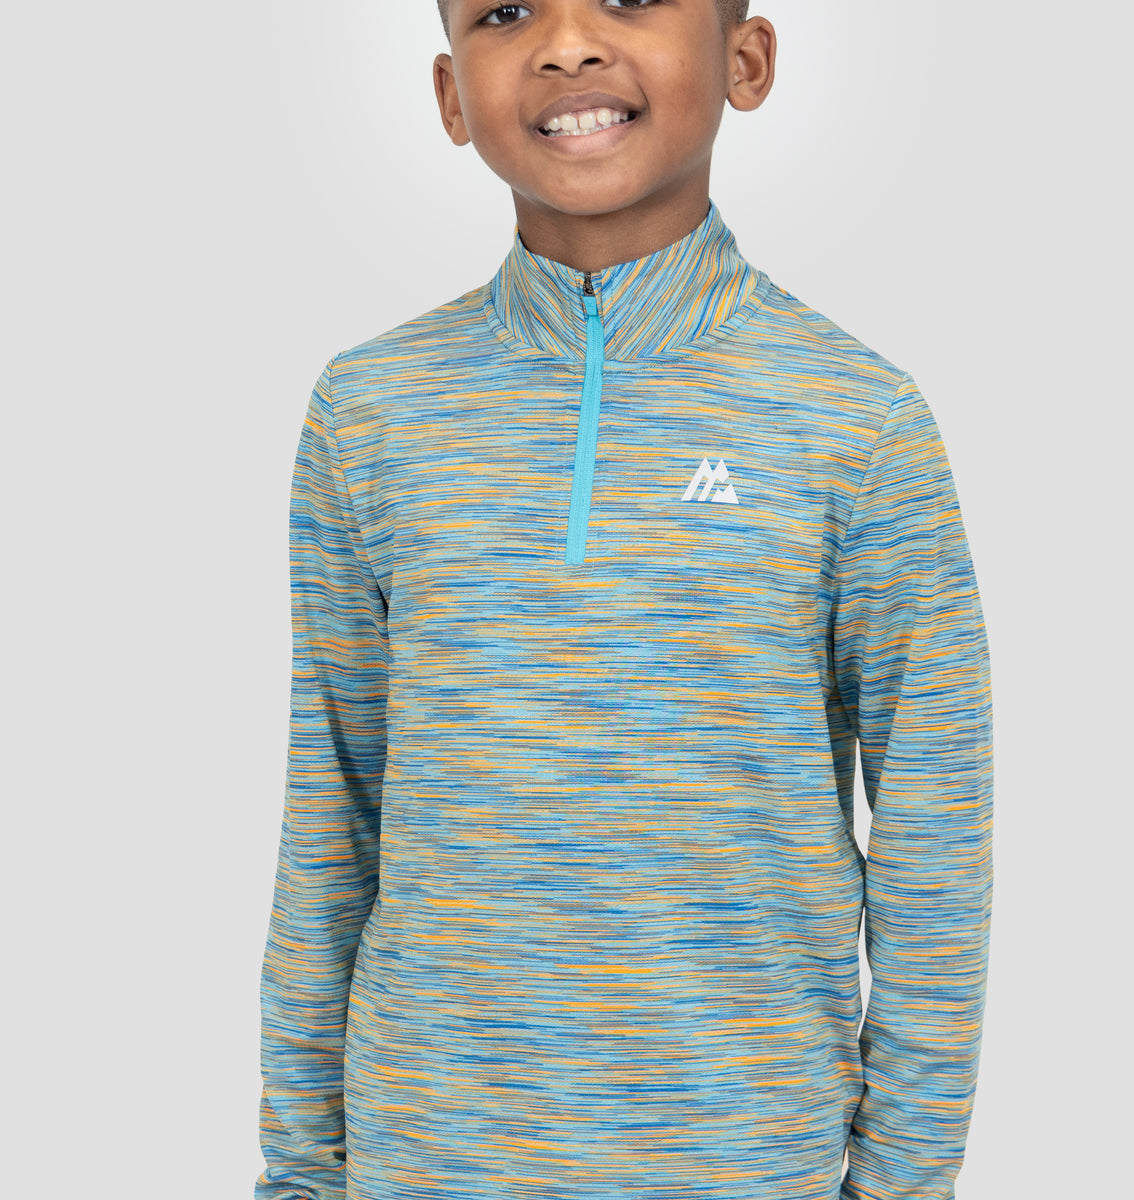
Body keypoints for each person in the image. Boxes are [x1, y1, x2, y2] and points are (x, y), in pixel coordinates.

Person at [254, 1, 994, 1197]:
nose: (568, 44)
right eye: (507, 12)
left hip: (748, 1160)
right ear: (451, 96)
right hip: (425, 1158)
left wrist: (905, 1180)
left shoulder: (857, 421)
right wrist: (300, 1171)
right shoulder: (369, 413)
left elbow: (935, 836)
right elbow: (331, 808)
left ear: (745, 60)